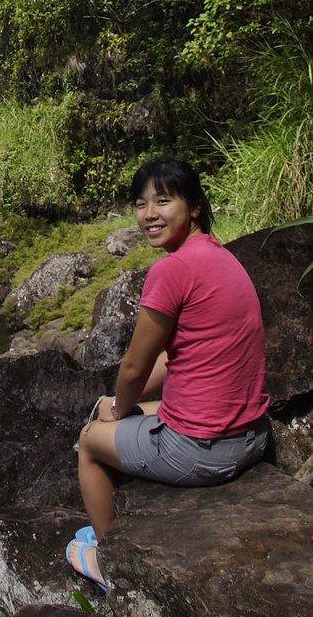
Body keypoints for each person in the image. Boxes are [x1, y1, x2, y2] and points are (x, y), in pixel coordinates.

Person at [66, 157, 270, 592]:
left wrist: (116, 411)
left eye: (163, 201)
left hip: (205, 451)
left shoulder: (171, 270)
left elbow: (135, 366)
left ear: (194, 206)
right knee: (127, 409)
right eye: (141, 204)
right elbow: (174, 359)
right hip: (252, 435)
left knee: (88, 442)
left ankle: (110, 563)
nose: (149, 215)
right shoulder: (218, 256)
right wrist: (122, 406)